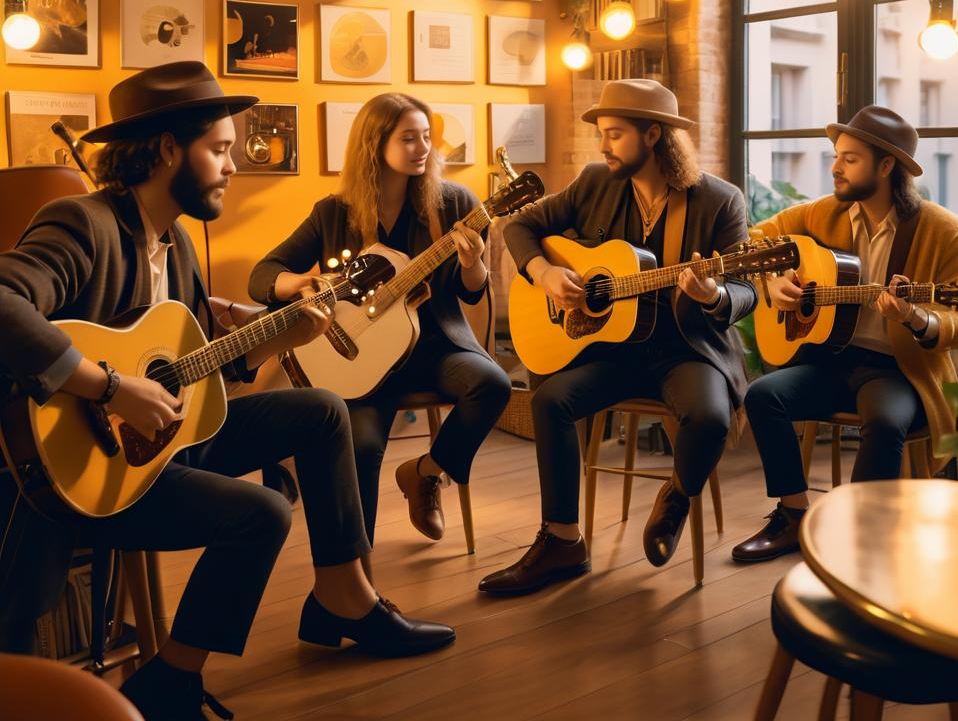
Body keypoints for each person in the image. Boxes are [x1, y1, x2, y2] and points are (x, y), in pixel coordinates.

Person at [0, 63, 453, 721]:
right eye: (219, 150)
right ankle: (174, 680)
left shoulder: (176, 241)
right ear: (165, 151)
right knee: (262, 513)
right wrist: (109, 385)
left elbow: (193, 369)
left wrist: (275, 337)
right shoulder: (83, 222)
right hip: (82, 470)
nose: (233, 166)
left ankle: (343, 596)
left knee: (323, 413)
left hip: (161, 447)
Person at [478, 79, 756, 596]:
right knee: (553, 401)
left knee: (711, 416)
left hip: (685, 350)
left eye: (614, 134)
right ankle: (562, 541)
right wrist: (543, 273)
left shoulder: (718, 200)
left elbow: (747, 289)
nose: (602, 146)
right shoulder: (594, 183)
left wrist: (714, 294)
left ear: (654, 136)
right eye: (602, 135)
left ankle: (675, 495)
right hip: (614, 348)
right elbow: (518, 227)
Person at [249, 92, 510, 547]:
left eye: (427, 137)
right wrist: (302, 284)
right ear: (374, 144)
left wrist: (473, 264)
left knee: (493, 384)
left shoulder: (454, 206)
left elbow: (470, 292)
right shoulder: (333, 213)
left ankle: (425, 474)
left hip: (435, 348)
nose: (423, 148)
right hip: (359, 359)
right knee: (361, 447)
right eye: (409, 138)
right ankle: (356, 573)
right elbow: (263, 276)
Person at [731, 105, 958, 564]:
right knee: (763, 396)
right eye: (836, 156)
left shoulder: (948, 233)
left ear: (886, 166)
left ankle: (866, 539)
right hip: (831, 360)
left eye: (849, 159)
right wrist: (774, 279)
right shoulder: (823, 214)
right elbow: (752, 239)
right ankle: (792, 516)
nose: (835, 167)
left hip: (899, 370)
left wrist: (917, 318)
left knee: (885, 422)